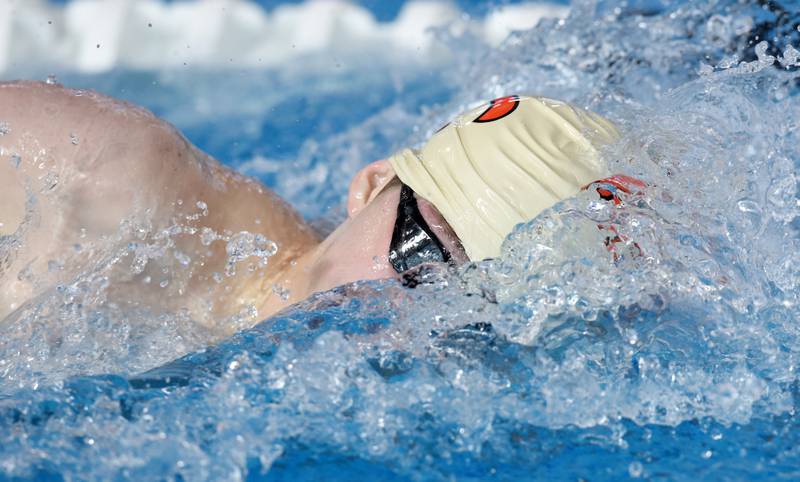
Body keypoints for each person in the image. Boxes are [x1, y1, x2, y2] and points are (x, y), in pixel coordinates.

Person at [0, 82, 622, 334]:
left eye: (479, 319)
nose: (428, 316)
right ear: (371, 185)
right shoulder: (105, 171)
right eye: (427, 259)